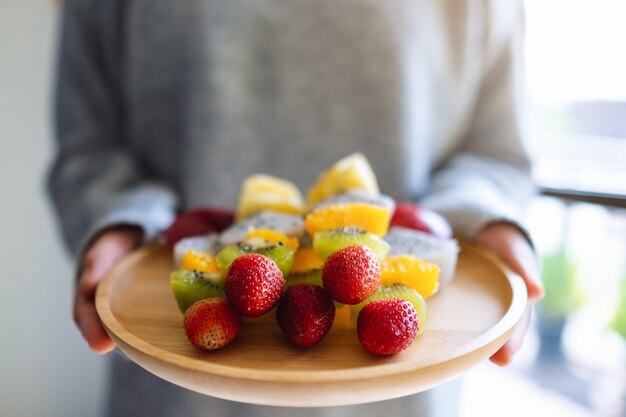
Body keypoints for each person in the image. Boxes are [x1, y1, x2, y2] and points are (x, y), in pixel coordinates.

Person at [48, 0, 544, 416]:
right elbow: (90, 148)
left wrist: (485, 215)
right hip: (173, 386)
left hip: (401, 389)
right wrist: (113, 218)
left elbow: (495, 153)